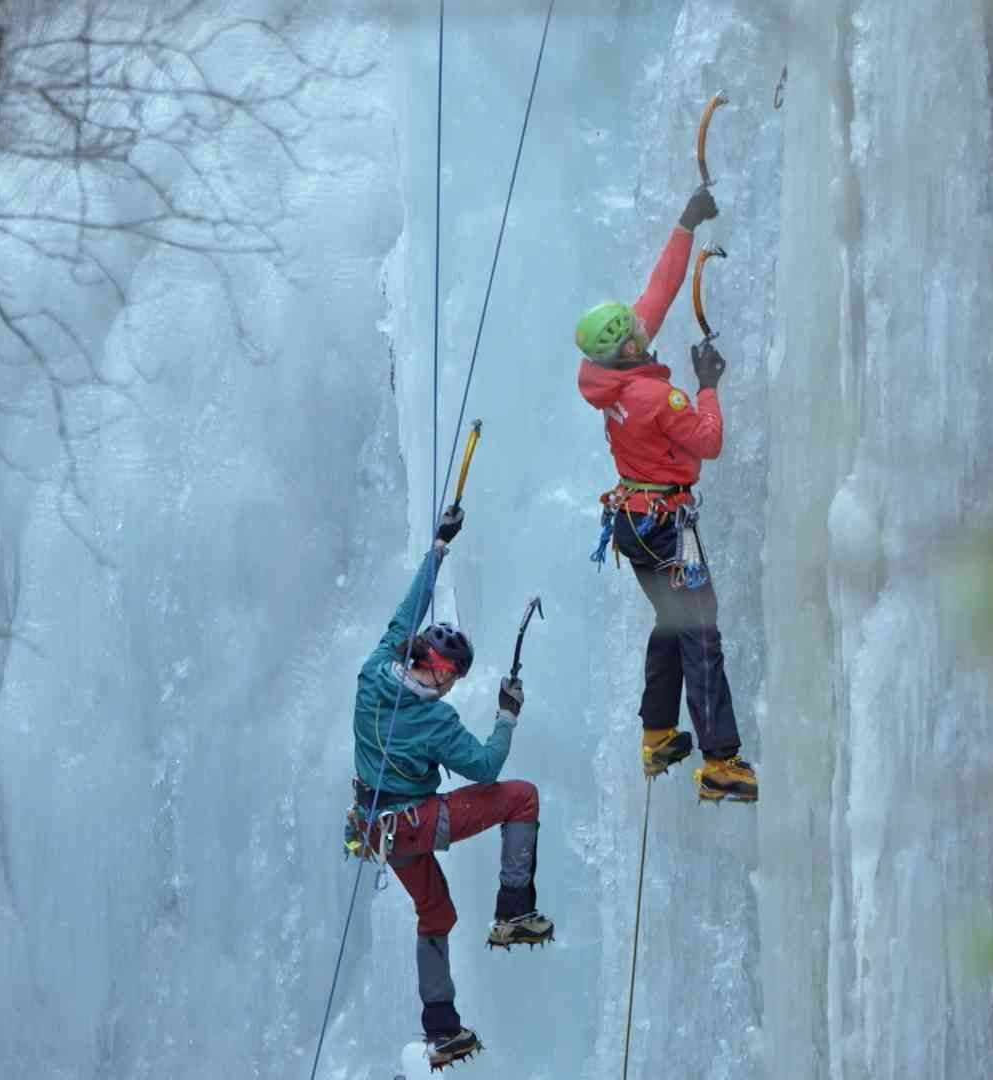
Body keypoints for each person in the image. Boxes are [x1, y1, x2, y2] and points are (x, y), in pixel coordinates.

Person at [347, 506, 552, 1071]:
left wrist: (438, 546)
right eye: (453, 677)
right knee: (522, 796)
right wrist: (508, 714)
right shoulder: (435, 723)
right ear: (438, 670)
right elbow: (485, 767)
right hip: (415, 822)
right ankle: (513, 909)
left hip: (376, 831)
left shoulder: (373, 670)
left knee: (436, 914)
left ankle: (443, 1031)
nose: (451, 687)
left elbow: (404, 613)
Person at [573, 188, 758, 803]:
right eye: (636, 334)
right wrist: (707, 386)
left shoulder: (609, 379)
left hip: (634, 522)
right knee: (700, 632)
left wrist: (684, 225)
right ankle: (720, 762)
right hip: (663, 527)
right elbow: (708, 442)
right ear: (628, 347)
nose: (644, 331)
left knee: (671, 621)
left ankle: (657, 734)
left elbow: (661, 287)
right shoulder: (655, 398)